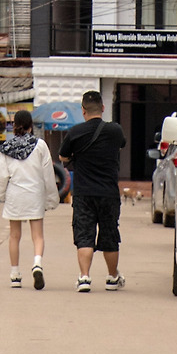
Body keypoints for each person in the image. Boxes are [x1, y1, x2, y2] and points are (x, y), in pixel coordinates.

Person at [59, 91, 127, 291]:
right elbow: (121, 145)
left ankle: (84, 277)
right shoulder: (115, 130)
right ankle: (112, 277)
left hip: (84, 194)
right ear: (103, 108)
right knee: (110, 235)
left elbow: (63, 157)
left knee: (84, 235)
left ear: (83, 110)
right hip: (108, 193)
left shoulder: (75, 132)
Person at [0, 109, 59, 290]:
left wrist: (1, 194)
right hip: (35, 194)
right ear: (31, 126)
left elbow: (1, 176)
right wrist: (52, 199)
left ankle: (15, 274)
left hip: (15, 194)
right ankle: (37, 263)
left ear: (14, 125)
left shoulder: (6, 148)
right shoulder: (40, 146)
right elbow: (48, 174)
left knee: (14, 236)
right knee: (37, 236)